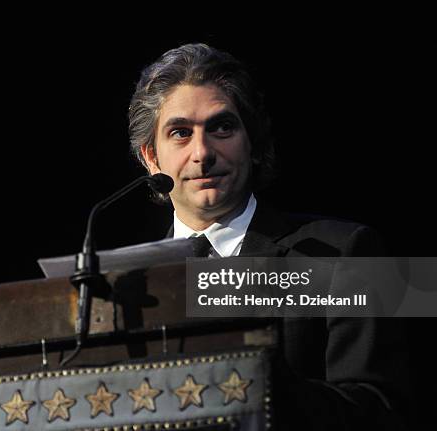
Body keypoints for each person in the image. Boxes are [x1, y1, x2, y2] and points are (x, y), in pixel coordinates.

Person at [128, 43, 410, 430]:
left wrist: (260, 381)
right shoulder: (127, 281)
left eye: (221, 127)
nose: (202, 153)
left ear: (254, 142)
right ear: (151, 157)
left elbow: (382, 409)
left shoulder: (347, 252)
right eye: (180, 133)